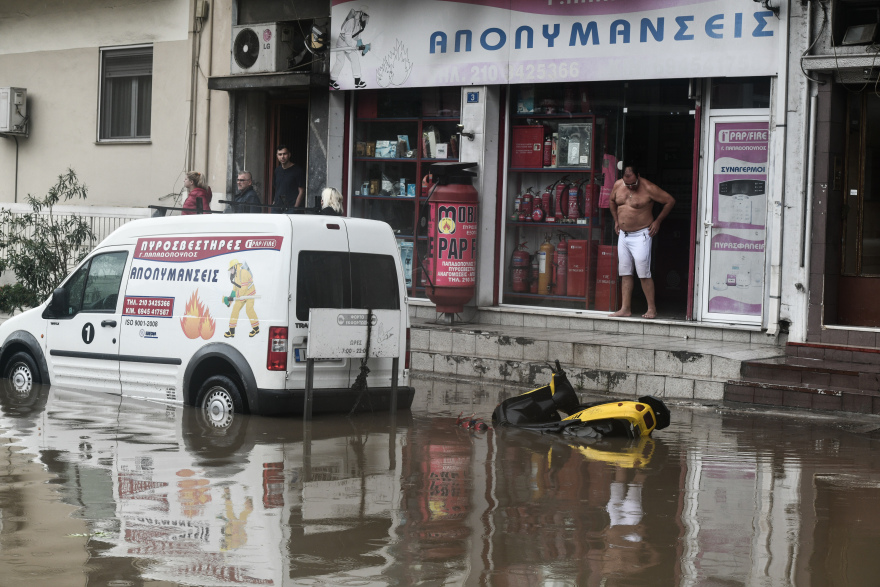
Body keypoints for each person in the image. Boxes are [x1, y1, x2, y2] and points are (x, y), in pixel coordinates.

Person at [608, 163, 675, 319]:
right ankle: (625, 308)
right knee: (625, 272)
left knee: (643, 272)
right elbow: (611, 201)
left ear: (638, 176)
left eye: (633, 183)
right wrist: (616, 221)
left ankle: (652, 309)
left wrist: (657, 221)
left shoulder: (648, 188)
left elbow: (669, 201)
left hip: (642, 235)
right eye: (627, 184)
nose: (630, 186)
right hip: (623, 235)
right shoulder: (618, 185)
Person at [329, 7, 369, 90]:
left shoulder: (359, 25)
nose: (365, 19)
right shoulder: (351, 22)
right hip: (342, 43)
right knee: (340, 62)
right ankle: (332, 81)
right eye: (365, 16)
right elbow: (347, 39)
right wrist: (357, 46)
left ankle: (357, 82)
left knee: (355, 59)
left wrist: (363, 49)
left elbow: (358, 38)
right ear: (360, 14)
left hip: (349, 45)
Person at [272, 145, 304, 213]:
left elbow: (301, 191)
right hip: (277, 208)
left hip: (291, 208)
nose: (282, 157)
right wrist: (274, 203)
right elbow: (277, 188)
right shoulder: (277, 170)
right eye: (280, 154)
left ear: (289, 154)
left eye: (284, 154)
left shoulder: (297, 170)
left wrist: (295, 208)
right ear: (277, 156)